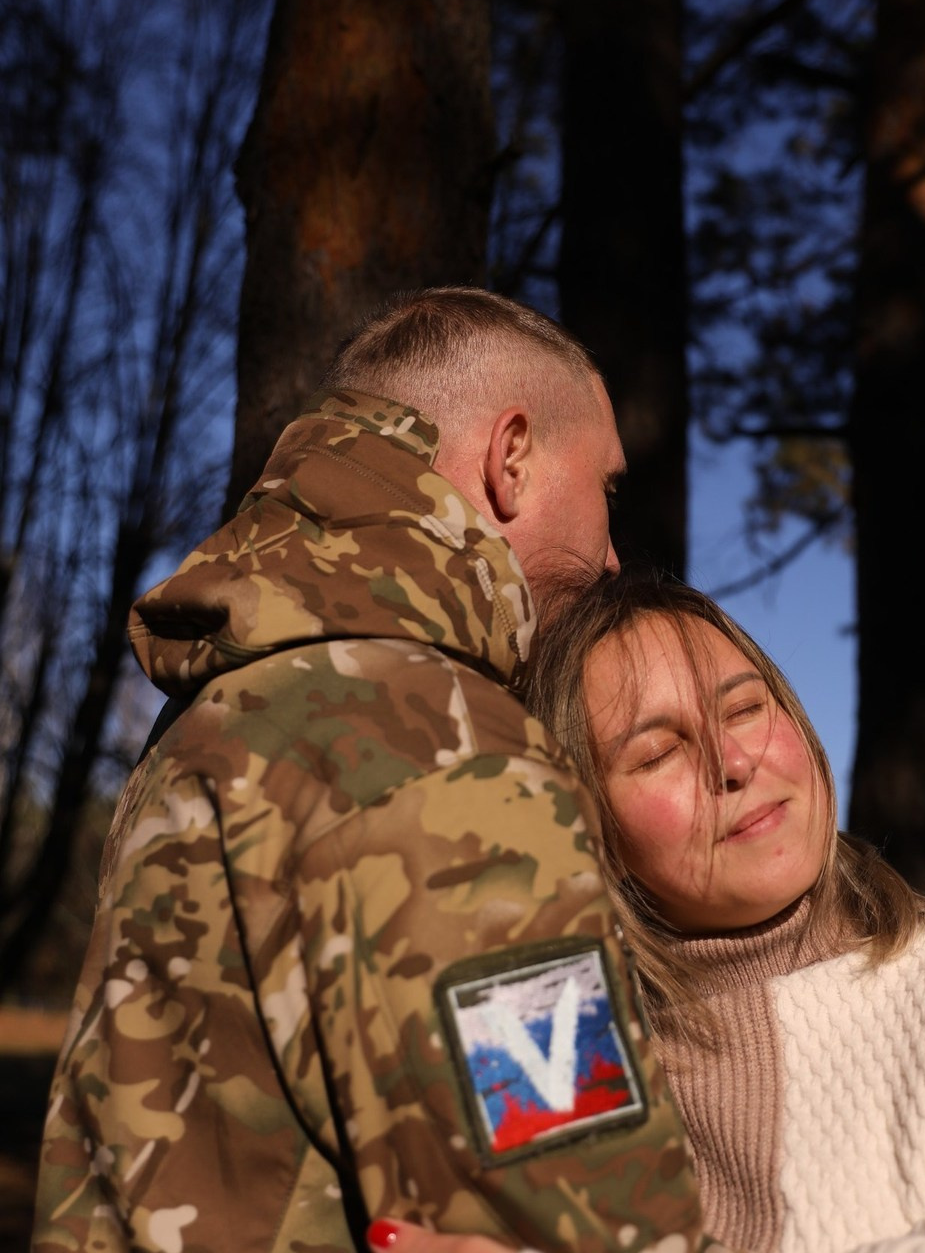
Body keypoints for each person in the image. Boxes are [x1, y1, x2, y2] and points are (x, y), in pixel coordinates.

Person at [33, 290, 713, 1253]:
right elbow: (595, 1225)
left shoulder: (222, 708)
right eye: (606, 489)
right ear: (511, 457)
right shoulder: (441, 745)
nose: (611, 556)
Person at [377, 570, 925, 1253]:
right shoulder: (550, 1045)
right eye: (658, 751)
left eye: (745, 709)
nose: (733, 763)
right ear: (584, 822)